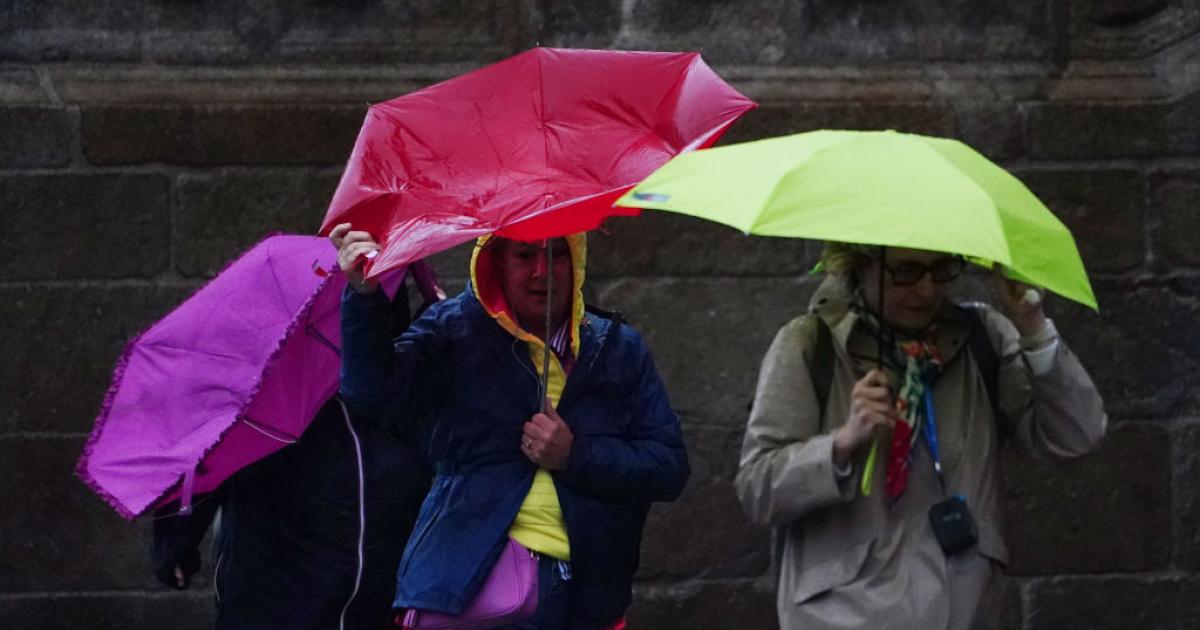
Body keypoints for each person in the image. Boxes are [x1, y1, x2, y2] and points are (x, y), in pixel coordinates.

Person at [332, 224, 689, 630]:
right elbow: (373, 396)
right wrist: (364, 299)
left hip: (587, 601)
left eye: (557, 254)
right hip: (468, 593)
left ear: (578, 261)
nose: (541, 272)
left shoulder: (618, 348)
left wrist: (575, 455)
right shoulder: (452, 330)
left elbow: (668, 468)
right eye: (524, 256)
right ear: (496, 261)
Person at [735, 243, 1106, 630]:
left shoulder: (985, 338)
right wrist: (841, 444)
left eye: (942, 268)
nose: (927, 289)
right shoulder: (809, 344)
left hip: (964, 612)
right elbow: (758, 489)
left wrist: (1033, 329)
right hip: (842, 617)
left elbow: (1075, 436)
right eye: (906, 271)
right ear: (862, 265)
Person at [152, 278, 434, 630]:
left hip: (381, 591)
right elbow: (208, 449)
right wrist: (176, 536)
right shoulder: (268, 381)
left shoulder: (410, 366)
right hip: (277, 590)